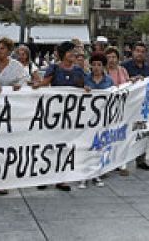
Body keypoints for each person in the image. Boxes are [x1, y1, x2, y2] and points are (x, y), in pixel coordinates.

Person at [32, 41, 86, 191]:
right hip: (54, 114)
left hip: (70, 116)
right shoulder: (54, 68)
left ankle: (61, 179)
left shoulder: (78, 70)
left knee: (65, 147)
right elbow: (45, 83)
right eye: (70, 52)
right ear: (63, 54)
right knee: (49, 146)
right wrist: (37, 85)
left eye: (74, 52)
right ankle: (44, 177)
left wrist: (87, 89)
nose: (73, 54)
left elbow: (82, 87)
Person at [79, 52, 112, 188]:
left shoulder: (109, 80)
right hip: (87, 118)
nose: (97, 67)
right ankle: (83, 175)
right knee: (86, 146)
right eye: (94, 65)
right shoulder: (85, 79)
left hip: (103, 118)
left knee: (99, 145)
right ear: (91, 66)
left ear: (103, 66)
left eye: (99, 65)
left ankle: (96, 173)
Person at [121, 42, 149, 171]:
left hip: (143, 107)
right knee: (126, 132)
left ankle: (141, 159)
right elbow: (120, 83)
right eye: (137, 50)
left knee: (142, 132)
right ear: (133, 52)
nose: (139, 53)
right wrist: (132, 80)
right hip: (128, 106)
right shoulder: (124, 66)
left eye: (142, 51)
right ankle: (122, 160)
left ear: (145, 54)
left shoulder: (148, 69)